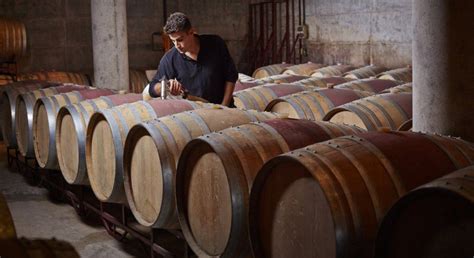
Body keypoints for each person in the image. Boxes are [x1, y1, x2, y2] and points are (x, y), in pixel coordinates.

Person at [149, 12, 238, 106]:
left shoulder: (215, 44)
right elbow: (152, 88)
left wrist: (224, 107)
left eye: (180, 40)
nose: (176, 45)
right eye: (173, 41)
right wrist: (166, 85)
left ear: (191, 32)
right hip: (196, 115)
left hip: (225, 110)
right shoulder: (170, 58)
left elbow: (231, 76)